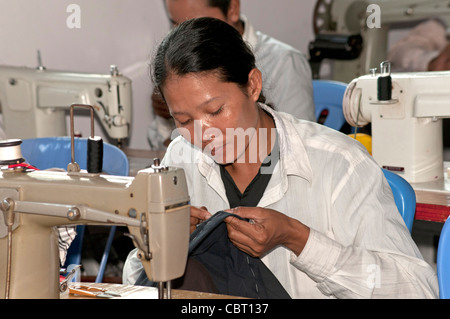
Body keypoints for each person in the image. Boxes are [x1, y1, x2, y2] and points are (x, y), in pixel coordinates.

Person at [124, 17, 439, 298]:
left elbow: (417, 290)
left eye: (215, 110)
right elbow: (136, 282)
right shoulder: (182, 156)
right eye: (183, 120)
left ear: (252, 85)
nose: (204, 133)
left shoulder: (339, 164)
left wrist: (299, 239)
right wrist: (161, 244)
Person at [148, 0, 315, 149]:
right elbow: (166, 150)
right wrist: (167, 117)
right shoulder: (176, 70)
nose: (184, 40)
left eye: (215, 110)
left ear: (233, 9)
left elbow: (299, 143)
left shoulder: (284, 62)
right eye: (176, 26)